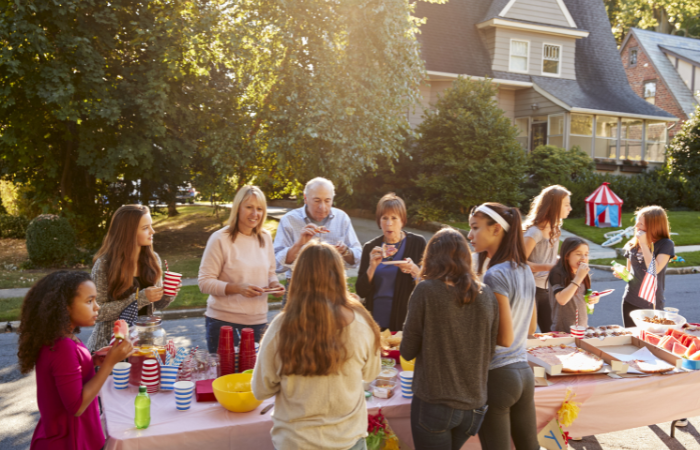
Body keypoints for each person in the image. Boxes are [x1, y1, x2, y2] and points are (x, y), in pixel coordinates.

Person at [252, 242, 381, 450]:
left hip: (296, 441)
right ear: (339, 275)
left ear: (299, 277)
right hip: (348, 439)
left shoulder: (280, 327)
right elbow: (371, 373)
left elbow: (261, 390)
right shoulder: (361, 322)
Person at [400, 228, 510, 449]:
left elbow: (407, 350)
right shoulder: (486, 293)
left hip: (436, 403)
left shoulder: (426, 291)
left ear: (430, 257)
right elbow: (489, 350)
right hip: (474, 405)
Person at [17, 271, 135, 450]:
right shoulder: (62, 346)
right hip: (69, 442)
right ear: (64, 307)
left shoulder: (63, 338)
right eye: (89, 301)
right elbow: (77, 406)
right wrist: (110, 363)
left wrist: (94, 361)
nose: (97, 307)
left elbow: (68, 374)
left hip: (73, 437)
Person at [468, 203, 538, 450]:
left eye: (475, 228)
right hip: (524, 373)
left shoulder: (494, 274)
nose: (469, 235)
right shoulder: (525, 269)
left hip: (498, 376)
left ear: (496, 229)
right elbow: (531, 327)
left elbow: (504, 338)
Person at [199, 186, 284, 351]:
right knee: (225, 376)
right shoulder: (219, 239)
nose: (255, 214)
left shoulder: (265, 237)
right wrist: (237, 288)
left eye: (259, 209)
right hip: (223, 324)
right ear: (238, 208)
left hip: (258, 323)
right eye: (249, 207)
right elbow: (204, 282)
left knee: (253, 376)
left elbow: (270, 273)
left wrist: (274, 285)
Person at [87, 205, 177, 353]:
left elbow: (157, 305)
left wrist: (167, 293)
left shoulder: (153, 260)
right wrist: (140, 298)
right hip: (109, 350)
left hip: (143, 347)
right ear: (128, 233)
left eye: (151, 226)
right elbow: (97, 312)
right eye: (145, 228)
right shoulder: (104, 265)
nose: (152, 231)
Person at [273, 177, 362, 299]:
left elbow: (358, 257)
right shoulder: (289, 220)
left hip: (334, 287)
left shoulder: (342, 218)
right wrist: (298, 245)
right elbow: (277, 264)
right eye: (317, 200)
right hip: (299, 288)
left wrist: (345, 251)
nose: (322, 207)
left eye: (327, 201)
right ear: (305, 198)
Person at [356, 193, 426, 331]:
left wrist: (414, 270)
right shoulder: (371, 248)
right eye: (384, 218)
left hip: (404, 320)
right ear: (378, 221)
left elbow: (428, 284)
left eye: (394, 218)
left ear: (402, 220)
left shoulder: (417, 243)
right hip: (374, 320)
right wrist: (372, 267)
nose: (389, 223)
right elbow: (361, 291)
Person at [522, 185, 572, 333]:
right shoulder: (534, 233)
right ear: (554, 206)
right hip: (530, 289)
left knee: (552, 333)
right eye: (566, 205)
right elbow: (519, 263)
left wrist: (562, 261)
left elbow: (547, 257)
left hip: (547, 288)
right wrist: (549, 267)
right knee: (528, 334)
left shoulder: (555, 230)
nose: (570, 208)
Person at [618, 206, 675, 327]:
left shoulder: (665, 244)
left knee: (650, 341)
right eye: (637, 222)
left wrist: (644, 244)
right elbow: (629, 272)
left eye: (641, 224)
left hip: (651, 303)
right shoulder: (633, 243)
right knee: (632, 339)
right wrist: (622, 273)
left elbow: (654, 269)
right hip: (630, 299)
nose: (636, 226)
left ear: (653, 226)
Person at [548, 237, 599, 333]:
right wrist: (578, 278)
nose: (583, 258)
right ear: (567, 255)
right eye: (578, 254)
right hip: (562, 331)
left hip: (581, 328)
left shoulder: (582, 274)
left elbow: (580, 297)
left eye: (586, 254)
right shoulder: (557, 273)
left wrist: (592, 297)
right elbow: (562, 300)